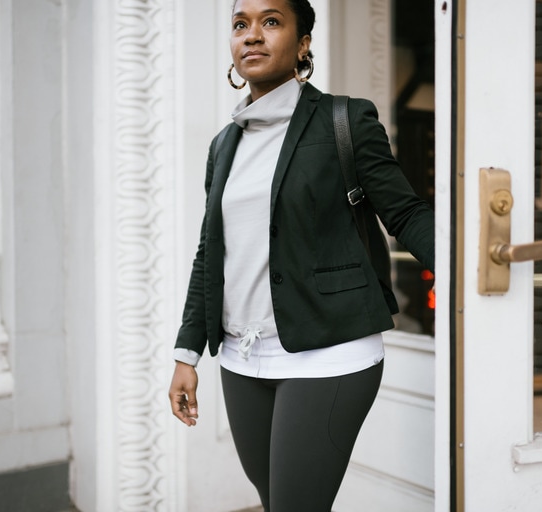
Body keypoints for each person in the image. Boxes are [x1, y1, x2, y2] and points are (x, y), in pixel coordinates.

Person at [168, 0, 434, 510]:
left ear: (303, 43)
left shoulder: (345, 120)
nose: (252, 35)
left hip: (329, 353)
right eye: (241, 25)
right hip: (243, 359)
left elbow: (404, 213)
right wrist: (187, 352)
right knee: (276, 501)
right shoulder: (224, 144)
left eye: (271, 22)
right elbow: (211, 251)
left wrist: (465, 279)